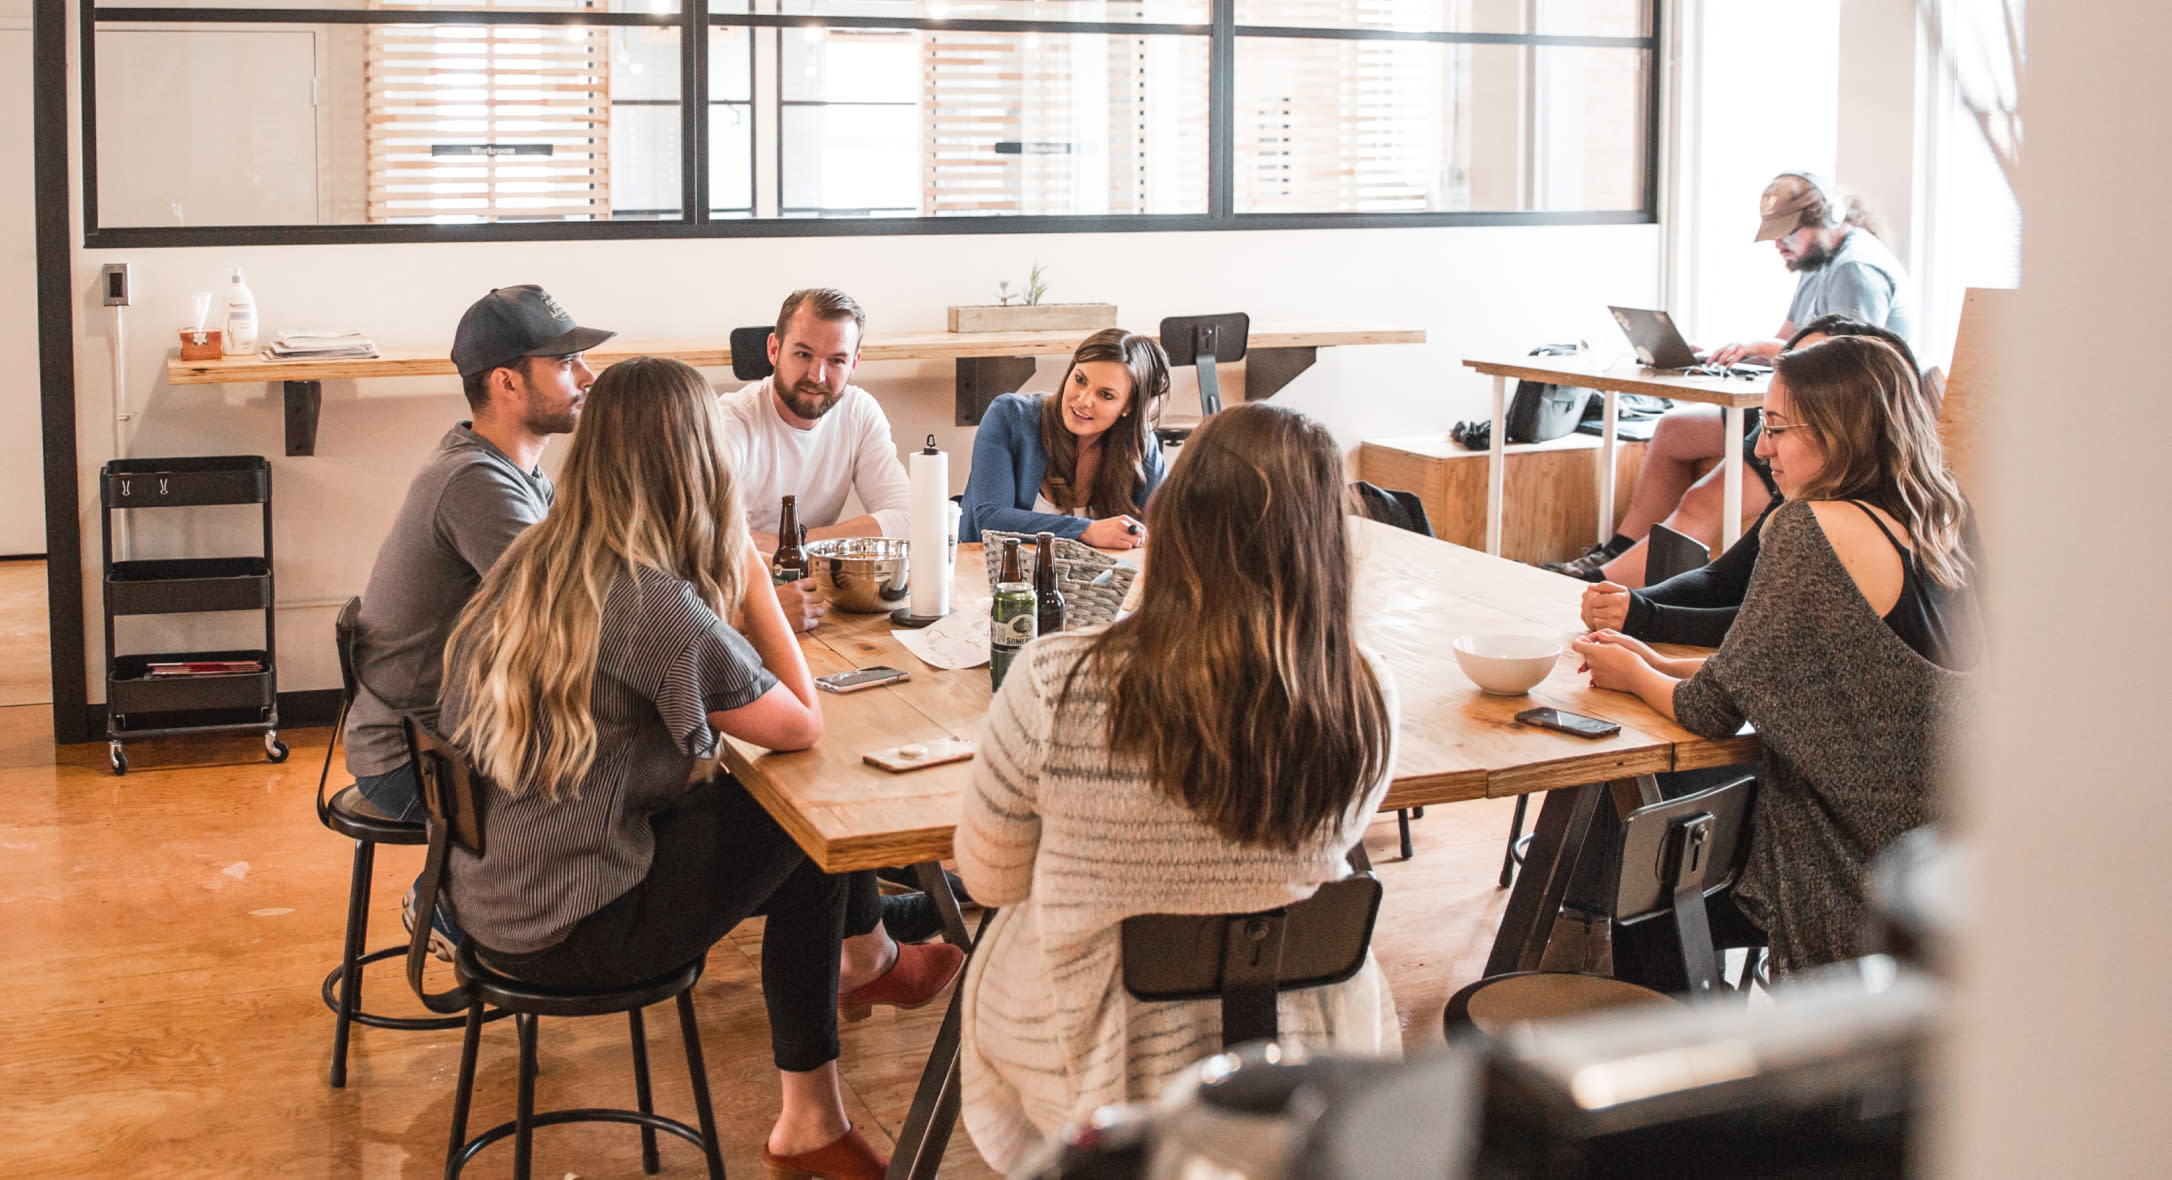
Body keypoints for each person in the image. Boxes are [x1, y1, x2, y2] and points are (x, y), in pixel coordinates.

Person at [437, 357, 962, 1180]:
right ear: (699, 463)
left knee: (774, 815)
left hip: (490, 891)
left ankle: (837, 1051)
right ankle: (826, 1073)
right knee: (801, 810)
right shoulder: (648, 601)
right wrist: (752, 573)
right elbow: (799, 721)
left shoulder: (537, 561)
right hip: (572, 926)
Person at [956, 403, 1402, 1172]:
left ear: (1176, 519)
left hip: (1095, 1049)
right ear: (1327, 540)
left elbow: (990, 878)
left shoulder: (1059, 678)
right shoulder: (1364, 693)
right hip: (1300, 1046)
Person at [1572, 335, 1979, 987]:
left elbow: (1709, 710)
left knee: (1644, 886)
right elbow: (1788, 673)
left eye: (1775, 428)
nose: (1761, 450)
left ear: (1837, 432)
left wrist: (1633, 675)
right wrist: (1651, 659)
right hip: (1934, 860)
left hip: (1845, 872)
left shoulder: (1813, 527)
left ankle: (1692, 1074)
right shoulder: (1935, 524)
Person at [342, 284, 611, 953]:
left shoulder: (517, 475)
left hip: (447, 740)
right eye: (565, 362)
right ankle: (454, 905)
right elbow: (578, 616)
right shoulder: (477, 485)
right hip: (418, 764)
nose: (587, 377)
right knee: (626, 777)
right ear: (507, 383)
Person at [1547, 171, 1920, 584]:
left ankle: (1604, 586)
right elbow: (1790, 341)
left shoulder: (1857, 270)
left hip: (1830, 427)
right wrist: (1736, 355)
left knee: (1702, 500)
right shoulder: (1817, 263)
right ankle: (1618, 550)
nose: (1779, 245)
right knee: (1672, 431)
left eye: (1788, 234)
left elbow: (1848, 369)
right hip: (1800, 410)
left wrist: (1766, 349)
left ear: (1826, 219)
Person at [1579, 316, 1929, 646]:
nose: (1762, 449)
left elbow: (1760, 638)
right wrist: (1628, 602)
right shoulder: (1818, 494)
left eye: (1778, 426)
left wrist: (1641, 618)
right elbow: (1726, 581)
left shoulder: (1834, 523)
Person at [718, 287, 912, 634]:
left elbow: (907, 521)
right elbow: (712, 542)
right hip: (739, 606)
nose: (817, 376)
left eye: (836, 360)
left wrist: (797, 548)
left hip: (819, 605)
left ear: (854, 363)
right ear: (774, 350)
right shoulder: (732, 421)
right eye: (803, 354)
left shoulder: (859, 411)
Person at [957, 328, 1169, 549]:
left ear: (1129, 406)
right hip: (993, 578)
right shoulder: (1009, 416)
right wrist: (1085, 530)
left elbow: (1164, 528)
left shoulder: (1138, 442)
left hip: (1098, 582)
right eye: (1080, 379)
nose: (1084, 400)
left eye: (1105, 395)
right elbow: (990, 519)